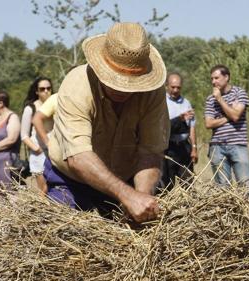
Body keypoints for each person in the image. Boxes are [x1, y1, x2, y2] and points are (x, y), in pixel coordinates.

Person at [45, 22, 169, 223]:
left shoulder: (153, 93)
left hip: (126, 179)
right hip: (71, 180)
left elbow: (150, 151)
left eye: (132, 83)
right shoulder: (77, 85)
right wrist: (128, 196)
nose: (124, 89)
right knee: (63, 238)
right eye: (116, 81)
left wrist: (140, 197)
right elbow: (78, 157)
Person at [204, 65, 249, 186]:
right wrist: (229, 116)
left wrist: (220, 99)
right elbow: (208, 123)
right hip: (217, 147)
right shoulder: (210, 99)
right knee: (222, 189)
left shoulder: (239, 93)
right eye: (212, 79)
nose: (213, 82)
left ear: (226, 77)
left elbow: (236, 116)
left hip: (238, 145)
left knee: (245, 185)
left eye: (216, 78)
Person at [159, 72, 197, 191]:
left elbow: (192, 127)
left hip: (184, 147)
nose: (175, 90)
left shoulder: (186, 103)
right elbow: (162, 128)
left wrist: (194, 148)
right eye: (173, 87)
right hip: (168, 148)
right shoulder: (161, 103)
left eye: (178, 87)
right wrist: (179, 119)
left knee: (188, 183)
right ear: (166, 86)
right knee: (166, 184)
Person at [21, 78, 53, 192]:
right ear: (37, 91)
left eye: (48, 88)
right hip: (39, 153)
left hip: (54, 151)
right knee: (43, 190)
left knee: (55, 188)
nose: (46, 91)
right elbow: (24, 135)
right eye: (42, 89)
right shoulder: (31, 108)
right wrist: (37, 149)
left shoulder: (55, 103)